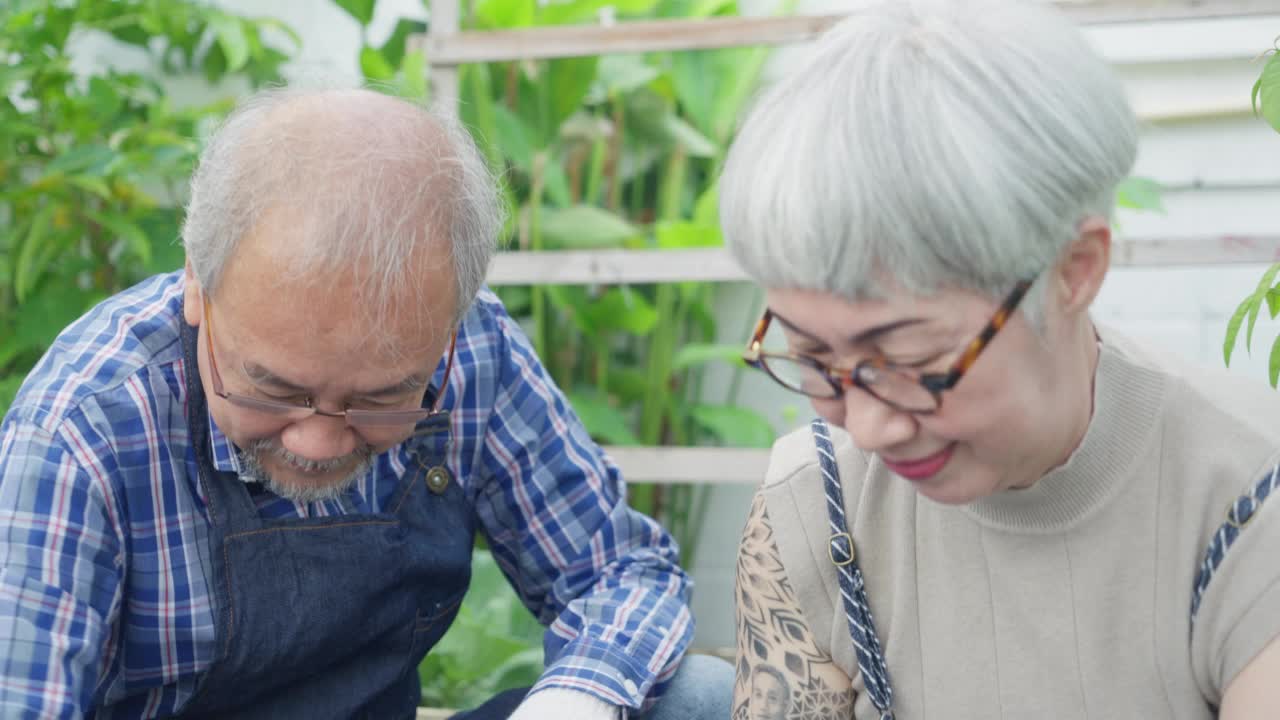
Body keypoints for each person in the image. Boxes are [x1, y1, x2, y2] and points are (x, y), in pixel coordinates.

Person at [0, 86, 732, 719]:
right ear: (198, 282)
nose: (318, 442)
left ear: (448, 324)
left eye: (380, 399)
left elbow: (618, 571)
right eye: (273, 389)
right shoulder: (82, 429)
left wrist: (575, 699)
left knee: (697, 700)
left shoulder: (475, 350)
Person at [718, 1, 1280, 718]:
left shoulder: (1248, 505)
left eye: (911, 358)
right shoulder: (816, 500)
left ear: (1074, 270)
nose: (866, 427)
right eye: (811, 354)